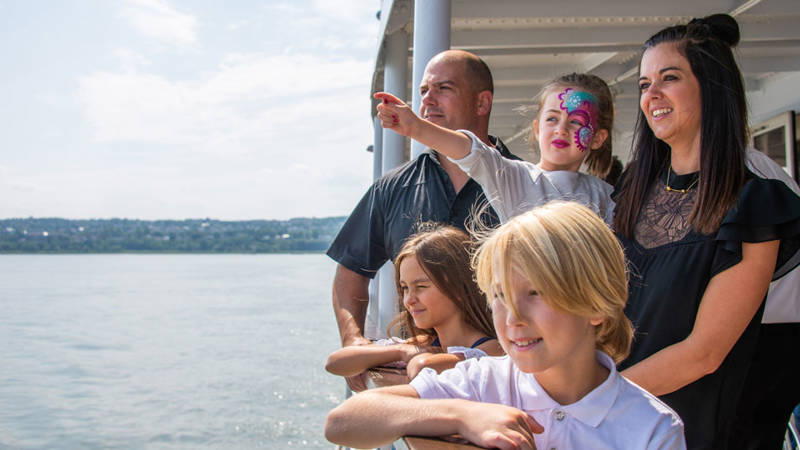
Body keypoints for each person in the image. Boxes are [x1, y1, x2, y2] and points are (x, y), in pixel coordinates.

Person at [325, 202, 686, 450]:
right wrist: (464, 413)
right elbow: (344, 421)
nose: (513, 318)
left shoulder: (653, 430)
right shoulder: (482, 382)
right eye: (499, 294)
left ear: (596, 303)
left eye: (536, 292)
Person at [611, 14, 800, 449]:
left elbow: (705, 353)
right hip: (612, 424)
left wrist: (599, 395)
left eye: (669, 78)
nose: (651, 95)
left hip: (689, 429)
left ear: (711, 88)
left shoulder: (755, 203)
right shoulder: (633, 191)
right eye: (643, 84)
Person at [327, 50, 520, 391]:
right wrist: (354, 340)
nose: (428, 100)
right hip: (412, 378)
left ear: (482, 103)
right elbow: (351, 271)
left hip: (504, 375)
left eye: (443, 88)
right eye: (423, 91)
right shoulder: (392, 187)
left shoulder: (524, 185)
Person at [375, 72, 615, 225]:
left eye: (576, 122)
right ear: (537, 128)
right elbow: (473, 152)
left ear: (597, 138)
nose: (561, 129)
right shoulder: (517, 177)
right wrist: (417, 128)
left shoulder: (605, 194)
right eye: (552, 119)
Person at [325, 225, 503, 384]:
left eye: (421, 287)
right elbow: (335, 362)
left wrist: (384, 368)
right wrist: (401, 351)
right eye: (404, 288)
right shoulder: (420, 343)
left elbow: (421, 366)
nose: (409, 300)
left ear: (458, 288)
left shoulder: (492, 349)